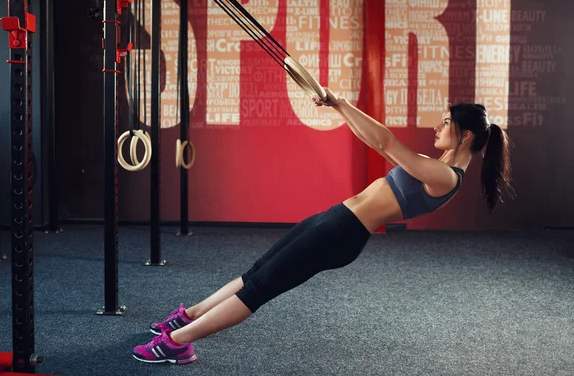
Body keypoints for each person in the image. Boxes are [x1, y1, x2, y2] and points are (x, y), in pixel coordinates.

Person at [132, 88, 514, 365]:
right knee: (255, 272)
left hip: (341, 234)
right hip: (334, 219)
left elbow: (384, 139)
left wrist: (343, 104)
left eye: (447, 122)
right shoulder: (435, 164)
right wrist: (339, 107)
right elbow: (378, 143)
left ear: (465, 136)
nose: (438, 126)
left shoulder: (446, 177)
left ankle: (179, 343)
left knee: (261, 288)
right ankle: (191, 315)